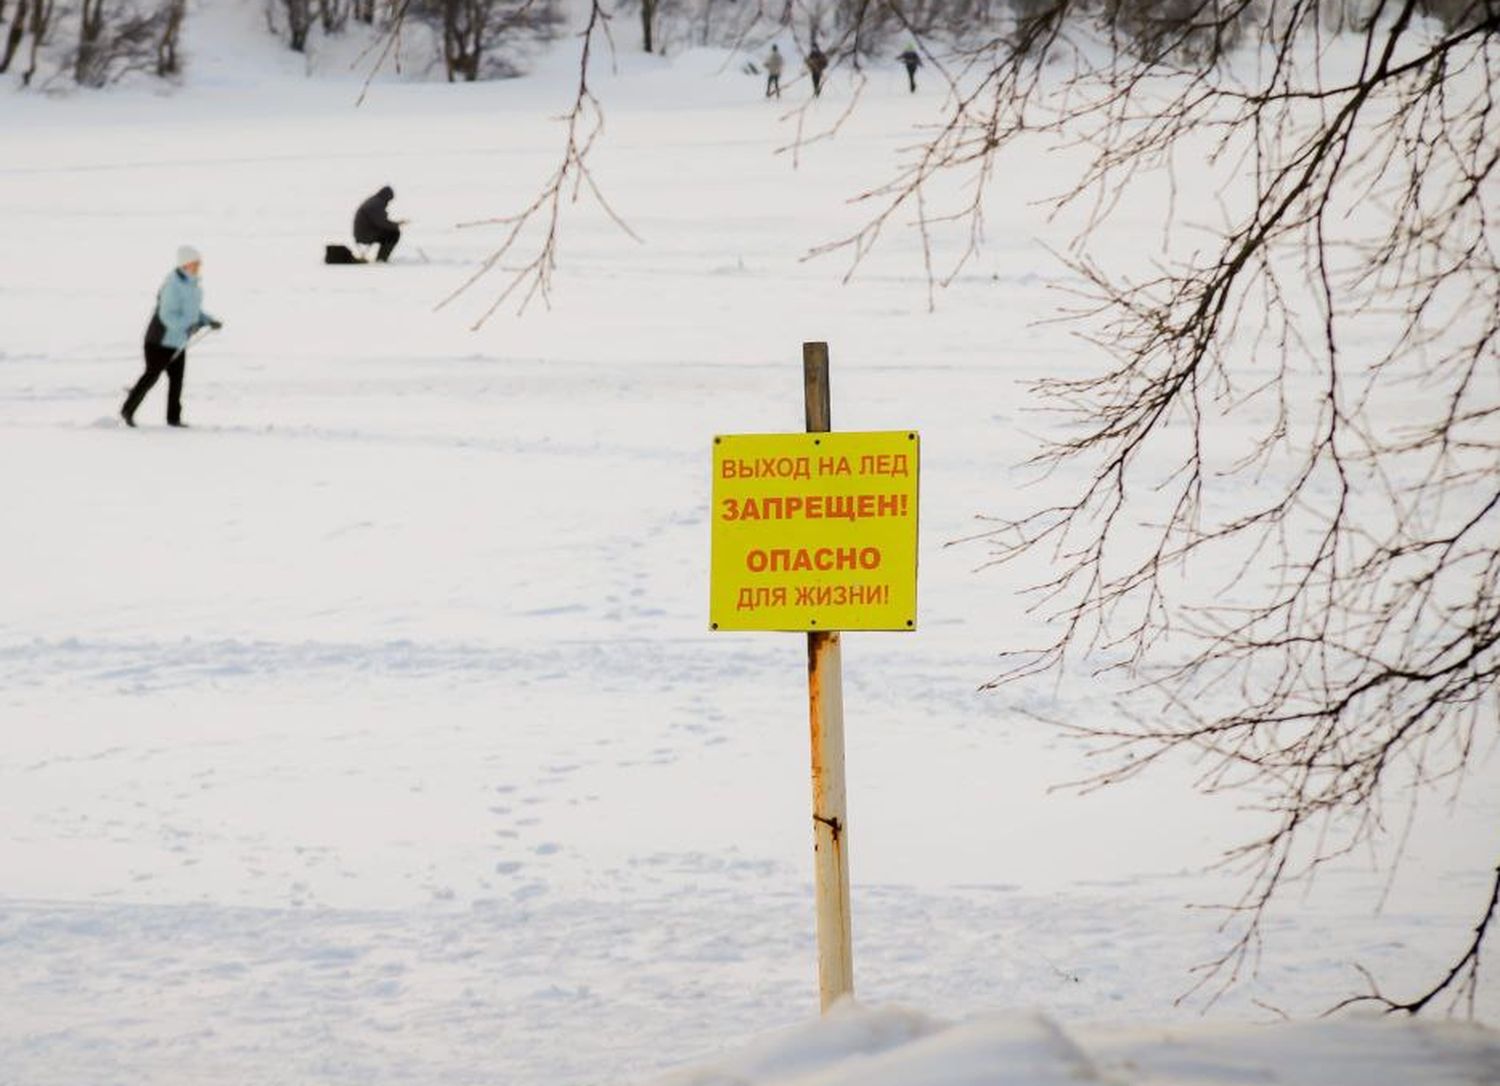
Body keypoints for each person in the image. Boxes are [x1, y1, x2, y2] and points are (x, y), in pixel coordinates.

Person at [121, 245, 221, 429]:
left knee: (177, 382)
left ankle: (173, 419)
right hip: (159, 341)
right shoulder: (173, 286)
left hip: (177, 342)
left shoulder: (193, 286)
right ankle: (127, 411)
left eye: (199, 263)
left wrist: (208, 320)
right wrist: (188, 326)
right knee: (151, 377)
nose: (198, 266)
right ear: (185, 264)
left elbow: (192, 312)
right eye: (195, 263)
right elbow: (167, 316)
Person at [353, 185, 402, 263]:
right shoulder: (376, 204)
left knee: (391, 232)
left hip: (364, 232)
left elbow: (379, 221)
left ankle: (381, 258)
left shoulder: (375, 201)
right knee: (394, 233)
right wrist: (395, 225)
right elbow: (381, 223)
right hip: (365, 235)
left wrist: (394, 224)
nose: (388, 202)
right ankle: (381, 259)